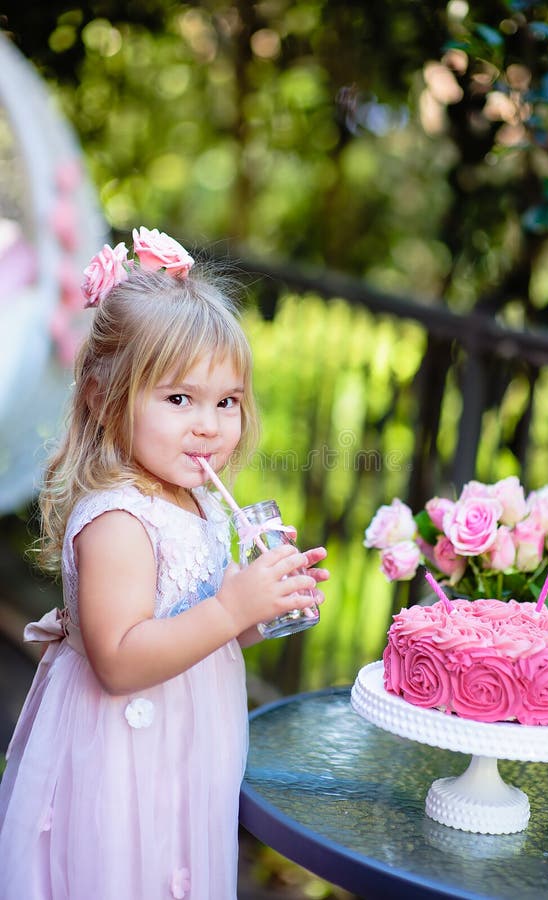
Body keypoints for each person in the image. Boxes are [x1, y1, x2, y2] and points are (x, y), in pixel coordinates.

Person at [0, 227, 329, 900]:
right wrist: (230, 606)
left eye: (226, 402)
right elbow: (121, 661)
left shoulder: (198, 501)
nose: (207, 425)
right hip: (122, 767)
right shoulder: (119, 519)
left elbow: (193, 631)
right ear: (102, 395)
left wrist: (258, 609)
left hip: (186, 757)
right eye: (179, 399)